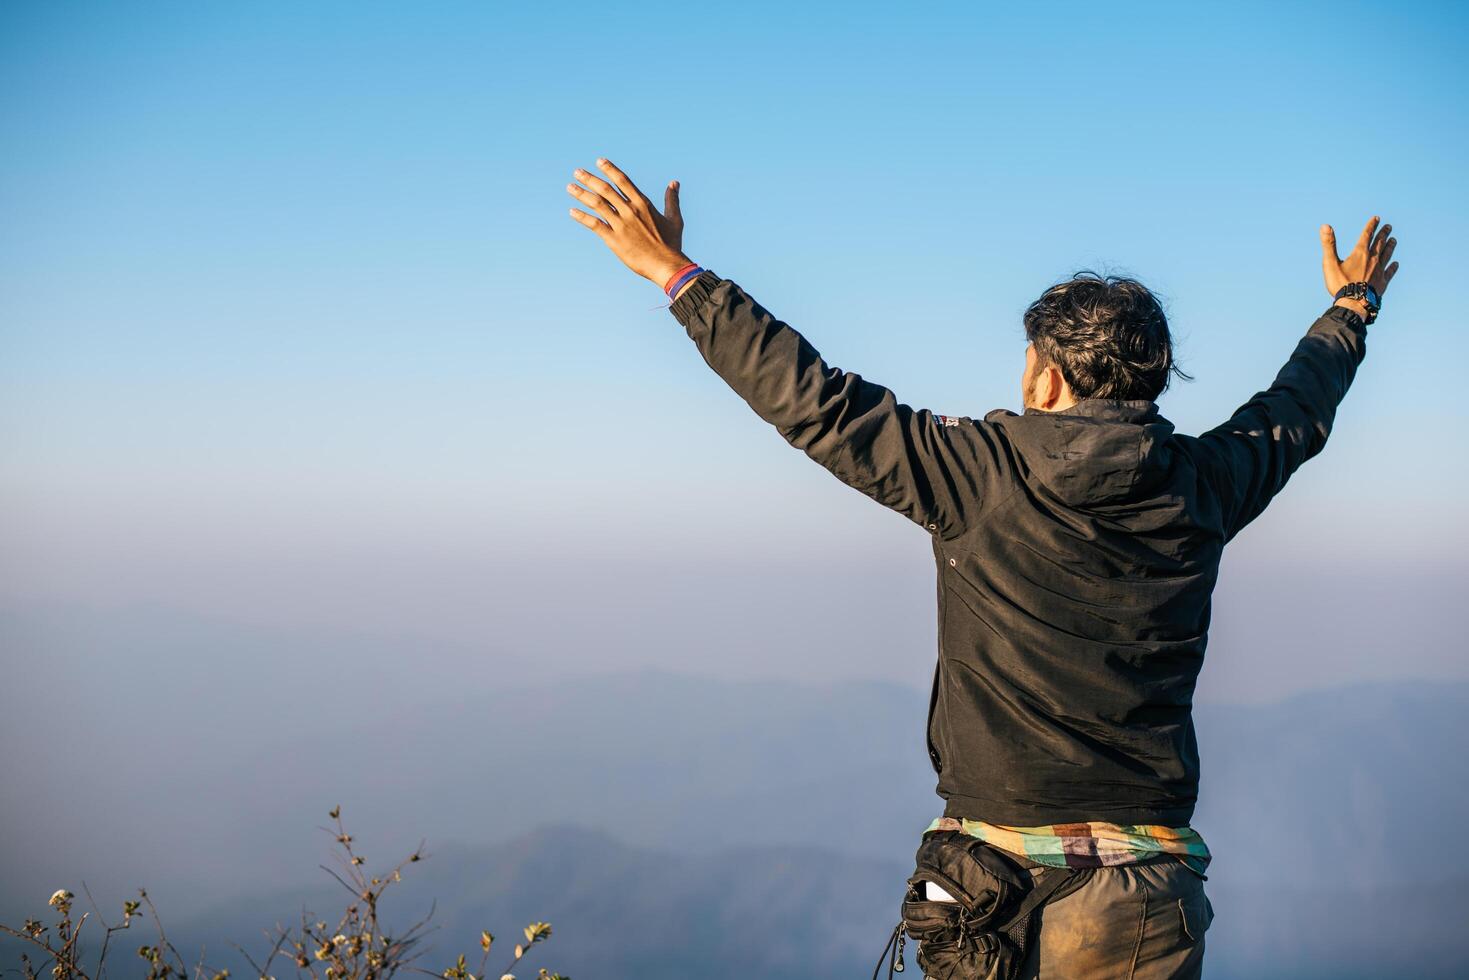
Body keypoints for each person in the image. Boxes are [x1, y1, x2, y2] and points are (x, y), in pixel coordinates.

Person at [565, 157, 1399, 979]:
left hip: (987, 891)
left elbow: (814, 400)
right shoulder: (1207, 484)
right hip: (1143, 897)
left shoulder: (974, 473)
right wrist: (1350, 306)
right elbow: (1297, 408)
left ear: (1044, 372)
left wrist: (677, 274)